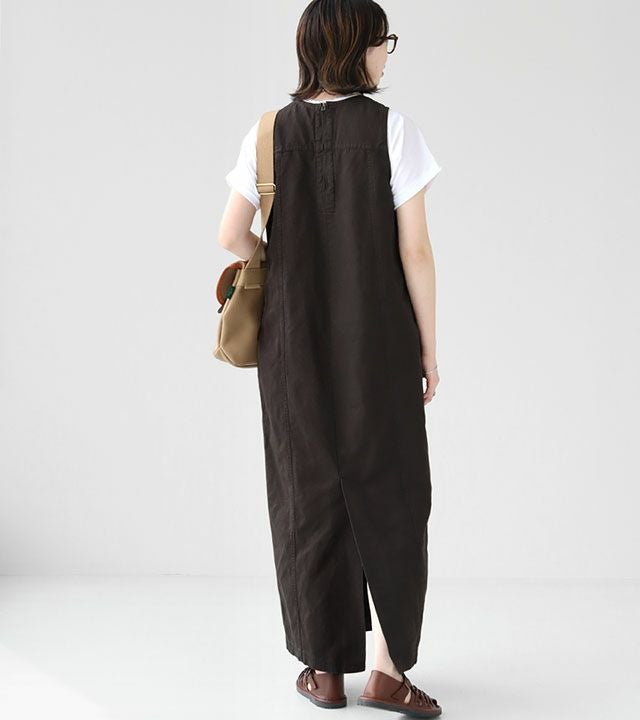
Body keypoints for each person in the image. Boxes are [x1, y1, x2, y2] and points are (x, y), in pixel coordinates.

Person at [217, 0, 442, 716]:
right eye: (383, 42)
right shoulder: (393, 130)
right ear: (354, 47)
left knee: (307, 495)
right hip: (379, 343)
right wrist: (429, 348)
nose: (386, 54)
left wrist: (282, 256)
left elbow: (231, 235)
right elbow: (415, 250)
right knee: (395, 494)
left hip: (294, 345)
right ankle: (388, 673)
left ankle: (324, 673)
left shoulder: (267, 133)